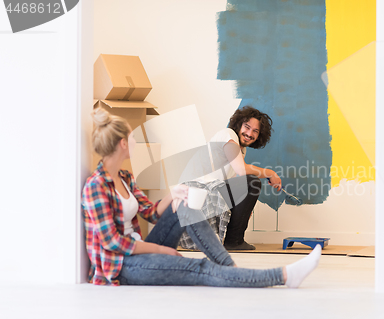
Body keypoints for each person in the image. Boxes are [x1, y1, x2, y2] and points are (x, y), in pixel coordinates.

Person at [81, 108, 321, 287]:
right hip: (122, 265)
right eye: (132, 138)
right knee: (201, 268)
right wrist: (162, 251)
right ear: (123, 144)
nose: (135, 141)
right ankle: (284, 276)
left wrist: (171, 196)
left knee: (183, 205)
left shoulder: (124, 177)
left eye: (255, 131)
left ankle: (231, 270)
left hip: (141, 251)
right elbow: (112, 243)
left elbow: (151, 213)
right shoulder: (96, 186)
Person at [201, 106, 282, 250]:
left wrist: (243, 208)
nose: (249, 133)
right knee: (252, 182)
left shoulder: (240, 149)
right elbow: (242, 170)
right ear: (239, 125)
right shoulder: (229, 135)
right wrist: (271, 173)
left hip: (211, 197)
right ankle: (234, 241)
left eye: (255, 131)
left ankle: (233, 240)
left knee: (248, 185)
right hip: (203, 199)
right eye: (247, 127)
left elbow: (231, 182)